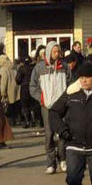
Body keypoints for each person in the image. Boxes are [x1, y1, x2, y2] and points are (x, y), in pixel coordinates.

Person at [29, 41, 66, 174]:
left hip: (62, 106)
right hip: (47, 106)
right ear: (49, 52)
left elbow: (71, 82)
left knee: (62, 133)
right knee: (49, 134)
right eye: (55, 52)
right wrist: (41, 98)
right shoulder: (39, 68)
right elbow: (32, 87)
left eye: (58, 51)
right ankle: (50, 163)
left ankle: (63, 159)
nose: (57, 54)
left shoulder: (64, 67)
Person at [16, 54, 39, 128]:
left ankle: (27, 121)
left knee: (24, 105)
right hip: (32, 87)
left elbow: (18, 80)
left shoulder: (21, 68)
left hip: (24, 87)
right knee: (32, 105)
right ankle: (33, 120)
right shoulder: (33, 68)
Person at [0, 54, 20, 126]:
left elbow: (3, 82)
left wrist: (2, 92)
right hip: (15, 90)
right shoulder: (13, 68)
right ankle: (14, 121)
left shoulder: (3, 69)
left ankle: (9, 124)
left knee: (7, 108)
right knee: (13, 107)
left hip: (8, 91)